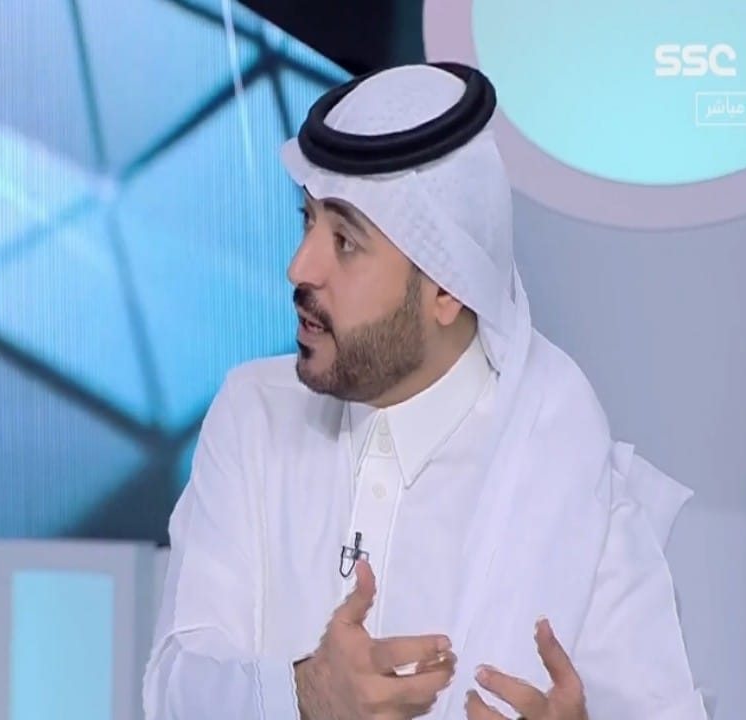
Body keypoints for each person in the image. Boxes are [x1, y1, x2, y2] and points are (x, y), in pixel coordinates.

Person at [143, 62, 709, 720]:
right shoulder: (254, 416)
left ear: (447, 288)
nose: (299, 268)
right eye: (307, 222)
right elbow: (173, 691)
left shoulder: (572, 481)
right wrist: (304, 695)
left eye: (344, 241)